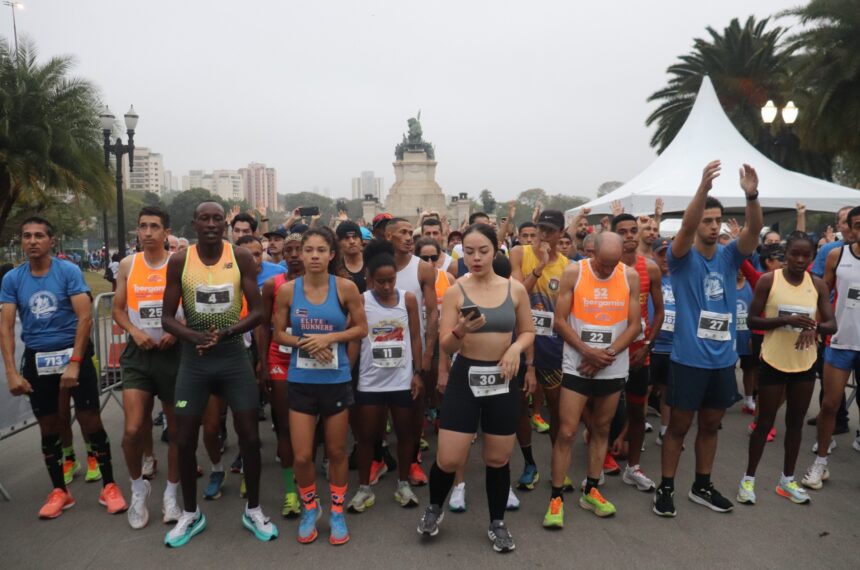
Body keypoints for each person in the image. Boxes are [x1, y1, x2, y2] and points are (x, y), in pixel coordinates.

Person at [160, 202, 276, 547]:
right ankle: (191, 514)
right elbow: (167, 318)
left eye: (216, 219)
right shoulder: (181, 260)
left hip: (231, 357)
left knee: (250, 438)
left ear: (224, 224)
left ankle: (253, 509)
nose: (211, 224)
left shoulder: (240, 257)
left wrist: (224, 334)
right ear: (194, 223)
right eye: (204, 219)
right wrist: (196, 337)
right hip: (194, 360)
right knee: (182, 439)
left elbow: (258, 312)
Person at [654, 161, 763, 517]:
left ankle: (702, 485)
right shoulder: (681, 257)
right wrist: (701, 190)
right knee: (679, 427)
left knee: (711, 425)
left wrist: (751, 196)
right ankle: (665, 487)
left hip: (721, 360)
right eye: (708, 221)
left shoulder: (730, 256)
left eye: (717, 221)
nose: (714, 227)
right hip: (688, 359)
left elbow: (753, 231)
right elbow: (686, 227)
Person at [417, 224, 535, 554]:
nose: (475, 258)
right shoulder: (456, 290)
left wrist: (514, 349)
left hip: (503, 378)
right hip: (465, 377)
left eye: (483, 251)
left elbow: (528, 332)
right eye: (469, 252)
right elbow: (446, 345)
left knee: (497, 458)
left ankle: (497, 522)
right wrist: (459, 329)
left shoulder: (515, 290)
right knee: (449, 456)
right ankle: (435, 508)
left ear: (496, 250)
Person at [1, 217, 127, 519]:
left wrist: (74, 363)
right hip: (37, 358)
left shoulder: (68, 271)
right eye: (27, 236)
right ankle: (60, 491)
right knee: (49, 426)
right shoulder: (13, 279)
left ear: (51, 240)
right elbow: (5, 328)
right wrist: (12, 372)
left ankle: (109, 485)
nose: (32, 241)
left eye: (39, 236)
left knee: (90, 422)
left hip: (74, 355)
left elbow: (84, 318)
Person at [272, 227, 367, 545]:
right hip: (301, 382)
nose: (312, 255)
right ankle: (310, 509)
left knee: (337, 452)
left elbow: (361, 328)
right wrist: (306, 343)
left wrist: (329, 338)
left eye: (320, 250)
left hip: (336, 380)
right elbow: (279, 334)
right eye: (308, 250)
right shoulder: (288, 290)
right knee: (301, 455)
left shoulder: (345, 288)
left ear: (331, 254)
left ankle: (337, 511)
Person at [543, 233, 641, 527]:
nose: (607, 270)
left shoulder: (630, 276)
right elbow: (559, 320)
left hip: (611, 365)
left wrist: (607, 353)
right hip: (578, 365)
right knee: (567, 432)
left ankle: (591, 489)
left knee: (601, 428)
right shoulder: (574, 271)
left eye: (613, 264)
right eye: (602, 264)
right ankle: (556, 497)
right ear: (592, 253)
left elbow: (634, 324)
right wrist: (587, 352)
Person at [738, 232, 835, 504]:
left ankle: (787, 480)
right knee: (763, 423)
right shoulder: (770, 280)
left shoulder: (817, 285)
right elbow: (753, 320)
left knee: (795, 424)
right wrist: (784, 321)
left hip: (804, 363)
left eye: (806, 255)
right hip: (772, 361)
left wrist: (814, 327)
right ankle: (748, 480)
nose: (800, 260)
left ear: (813, 258)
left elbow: (832, 324)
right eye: (795, 254)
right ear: (785, 254)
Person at [112, 207, 183, 529]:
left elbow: (192, 306)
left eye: (155, 226)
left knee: (176, 431)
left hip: (173, 354)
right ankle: (138, 488)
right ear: (137, 231)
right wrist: (136, 332)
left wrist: (174, 332)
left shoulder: (178, 263)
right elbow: (117, 309)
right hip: (139, 356)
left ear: (166, 231)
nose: (148, 232)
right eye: (143, 226)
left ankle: (171, 495)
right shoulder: (129, 264)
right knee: (132, 430)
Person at [348, 240, 423, 512]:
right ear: (369, 279)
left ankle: (403, 483)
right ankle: (364, 488)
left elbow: (415, 336)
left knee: (405, 434)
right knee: (367, 437)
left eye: (391, 280)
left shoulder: (408, 299)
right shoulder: (360, 300)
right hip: (370, 381)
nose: (387, 286)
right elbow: (354, 339)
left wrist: (417, 373)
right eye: (380, 282)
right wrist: (348, 373)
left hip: (402, 380)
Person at [509, 210, 572, 491]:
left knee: (557, 409)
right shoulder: (520, 253)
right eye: (540, 228)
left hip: (552, 346)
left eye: (550, 230)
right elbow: (515, 294)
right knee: (521, 406)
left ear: (561, 233)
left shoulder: (570, 267)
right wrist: (539, 268)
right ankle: (529, 463)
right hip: (519, 342)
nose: (543, 235)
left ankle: (558, 466)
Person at [803, 206, 860, 489]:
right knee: (829, 405)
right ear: (849, 228)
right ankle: (820, 463)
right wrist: (816, 325)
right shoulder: (838, 255)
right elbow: (823, 291)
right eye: (858, 225)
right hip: (839, 342)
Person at [611, 213, 664, 492]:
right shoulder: (606, 268)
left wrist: (647, 346)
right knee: (602, 409)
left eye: (634, 230)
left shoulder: (651, 268)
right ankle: (600, 462)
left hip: (638, 350)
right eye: (623, 231)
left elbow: (660, 313)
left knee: (636, 408)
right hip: (609, 349)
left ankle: (633, 468)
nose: (630, 235)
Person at [386, 218, 438, 485]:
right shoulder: (379, 267)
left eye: (410, 233)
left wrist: (428, 354)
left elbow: (432, 313)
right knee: (381, 412)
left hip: (413, 349)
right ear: (388, 237)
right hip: (382, 349)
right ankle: (377, 459)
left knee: (414, 409)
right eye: (402, 233)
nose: (409, 237)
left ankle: (414, 460)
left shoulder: (424, 269)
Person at [257, 230, 304, 519]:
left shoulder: (322, 284)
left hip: (313, 357)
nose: (296, 255)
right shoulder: (272, 285)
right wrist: (261, 362)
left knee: (310, 427)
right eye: (290, 250)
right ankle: (290, 491)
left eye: (301, 249)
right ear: (283, 255)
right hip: (279, 358)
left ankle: (307, 479)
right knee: (285, 424)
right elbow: (263, 326)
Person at [649, 238, 674, 445]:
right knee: (644, 390)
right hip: (651, 345)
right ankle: (636, 430)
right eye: (660, 254)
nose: (665, 258)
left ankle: (664, 431)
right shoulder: (646, 278)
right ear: (652, 255)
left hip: (673, 346)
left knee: (668, 390)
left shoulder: (680, 278)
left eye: (668, 253)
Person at [337, 221, 366, 294]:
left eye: (355, 237)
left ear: (361, 240)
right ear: (339, 243)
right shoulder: (335, 267)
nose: (352, 241)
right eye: (346, 238)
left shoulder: (372, 261)